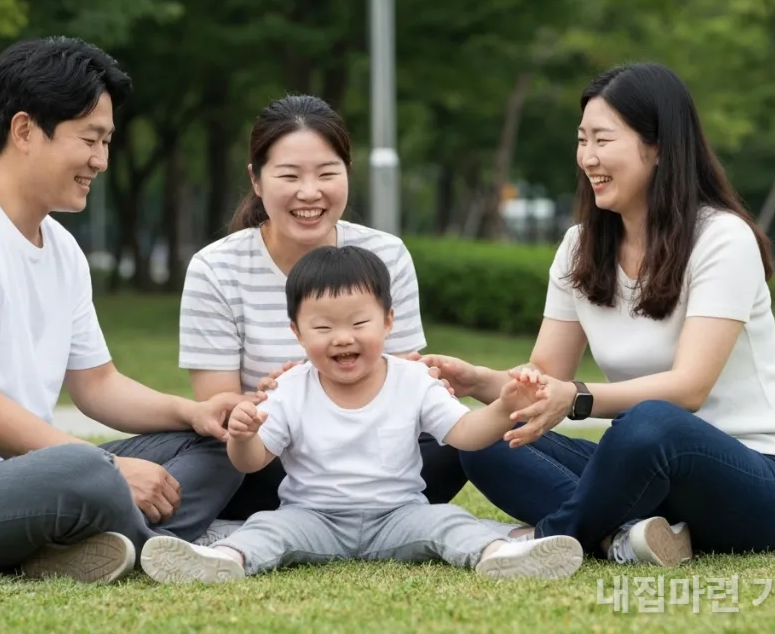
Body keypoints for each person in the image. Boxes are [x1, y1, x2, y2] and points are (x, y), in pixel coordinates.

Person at [0, 37, 257, 585]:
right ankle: (168, 544)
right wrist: (110, 471)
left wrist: (193, 413)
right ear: (24, 131)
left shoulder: (61, 249)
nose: (101, 161)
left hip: (18, 480)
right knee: (85, 469)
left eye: (107, 142)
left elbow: (97, 384)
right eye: (90, 139)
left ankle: (93, 545)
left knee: (220, 441)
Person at [415, 62, 775, 567]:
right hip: (642, 477)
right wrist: (475, 380)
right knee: (487, 439)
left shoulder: (721, 238)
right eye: (582, 141)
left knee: (649, 424)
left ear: (659, 145)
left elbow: (689, 389)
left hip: (757, 481)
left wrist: (578, 398)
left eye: (603, 140)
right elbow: (543, 386)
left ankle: (552, 540)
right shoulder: (581, 246)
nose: (587, 158)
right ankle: (630, 538)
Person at [139, 246, 584, 583]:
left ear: (388, 321)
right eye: (322, 327)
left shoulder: (412, 379)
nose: (342, 338)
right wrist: (241, 435)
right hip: (311, 516)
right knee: (266, 529)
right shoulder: (291, 388)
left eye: (358, 323)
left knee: (449, 523)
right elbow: (251, 463)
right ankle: (222, 561)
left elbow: (465, 433)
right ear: (296, 332)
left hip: (400, 514)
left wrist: (505, 406)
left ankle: (500, 556)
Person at [178, 95, 468, 524]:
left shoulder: (385, 254)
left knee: (464, 445)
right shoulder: (215, 267)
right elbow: (217, 404)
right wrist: (263, 402)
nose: (309, 192)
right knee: (210, 452)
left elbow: (404, 374)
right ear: (256, 180)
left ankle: (370, 515)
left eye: (327, 173)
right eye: (289, 175)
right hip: (271, 456)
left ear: (346, 175)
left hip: (379, 456)